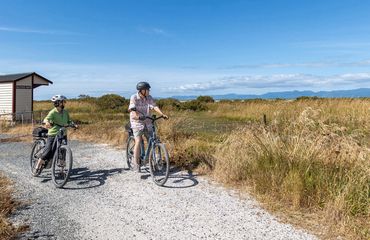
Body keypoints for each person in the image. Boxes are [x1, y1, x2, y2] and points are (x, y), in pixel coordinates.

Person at [128, 81, 168, 172]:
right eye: (147, 90)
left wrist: (162, 114)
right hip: (137, 122)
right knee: (138, 141)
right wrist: (137, 115)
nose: (149, 91)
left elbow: (154, 106)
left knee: (152, 139)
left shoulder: (149, 97)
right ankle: (136, 164)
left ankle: (152, 159)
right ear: (142, 90)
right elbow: (131, 109)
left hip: (147, 121)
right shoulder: (134, 97)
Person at [33, 95, 77, 174]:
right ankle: (37, 166)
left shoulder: (65, 112)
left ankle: (62, 170)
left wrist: (73, 124)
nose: (64, 103)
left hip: (63, 133)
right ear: (58, 103)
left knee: (63, 152)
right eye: (63, 102)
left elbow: (69, 121)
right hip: (53, 134)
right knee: (47, 151)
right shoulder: (53, 112)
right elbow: (46, 119)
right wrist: (47, 123)